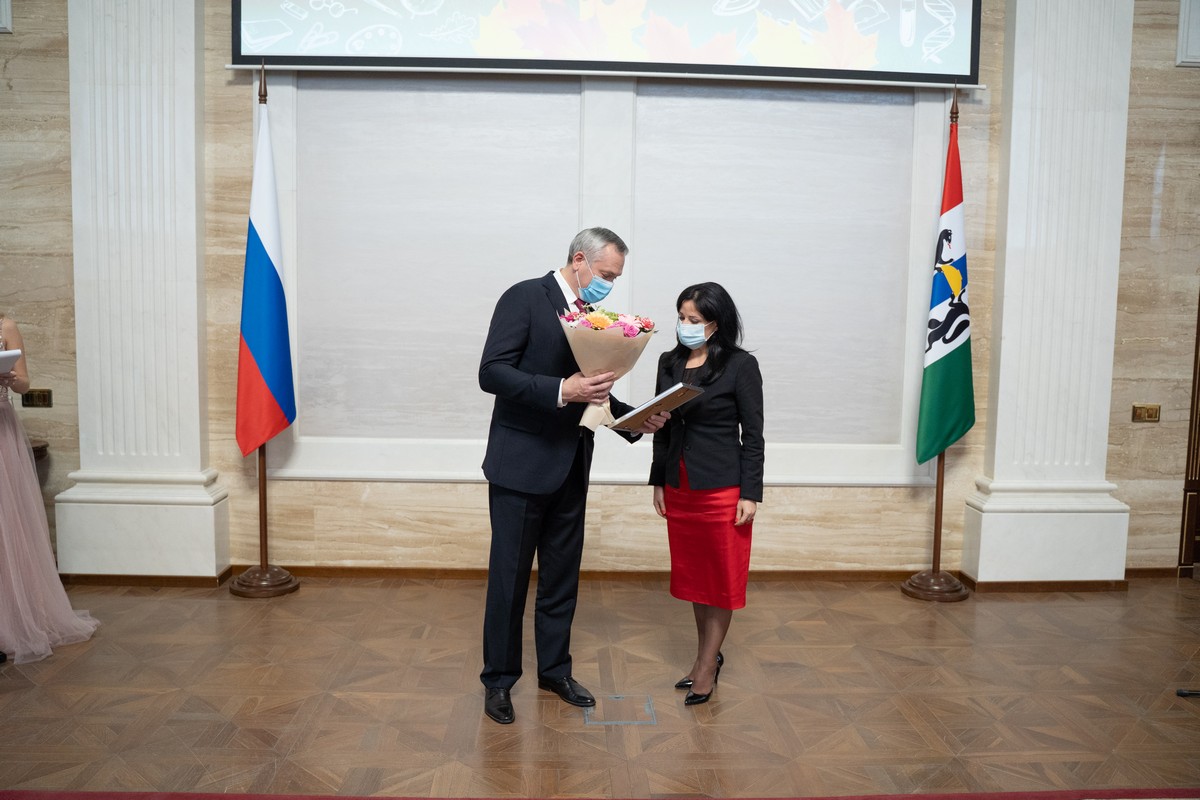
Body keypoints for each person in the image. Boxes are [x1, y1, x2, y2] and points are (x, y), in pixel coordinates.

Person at [478, 227, 668, 725]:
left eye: (615, 278)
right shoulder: (524, 296)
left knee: (561, 578)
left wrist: (635, 421)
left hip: (572, 463)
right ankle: (499, 681)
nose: (609, 284)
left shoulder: (589, 315)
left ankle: (555, 672)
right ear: (579, 260)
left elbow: (594, 389)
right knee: (509, 582)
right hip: (520, 465)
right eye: (606, 274)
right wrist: (561, 389)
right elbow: (492, 372)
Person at [649, 282, 764, 706]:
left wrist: (750, 493)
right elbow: (660, 425)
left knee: (720, 580)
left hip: (723, 487)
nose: (685, 325)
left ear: (716, 322)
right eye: (681, 317)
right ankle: (707, 657)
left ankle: (705, 666)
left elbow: (754, 435)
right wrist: (659, 480)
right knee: (697, 579)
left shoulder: (740, 365)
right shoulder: (668, 362)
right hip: (680, 485)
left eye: (694, 319)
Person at [0, 315, 99, 664]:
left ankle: (11, 623)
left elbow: (24, 384)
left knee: (8, 528)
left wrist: (12, 380)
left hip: (1, 433)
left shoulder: (5, 326)